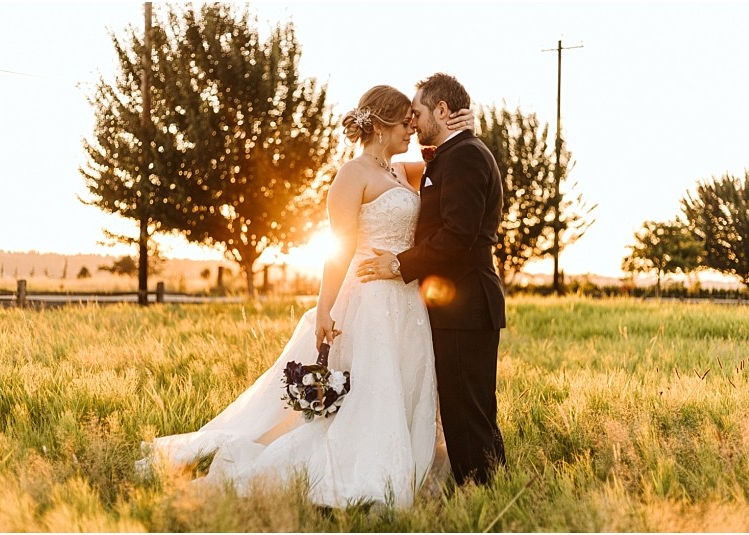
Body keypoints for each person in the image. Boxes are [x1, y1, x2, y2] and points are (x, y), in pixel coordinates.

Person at [136, 85, 475, 509]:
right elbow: (339, 249)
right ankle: (367, 477)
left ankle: (403, 466)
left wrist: (465, 128)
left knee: (405, 387)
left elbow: (440, 158)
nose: (413, 127)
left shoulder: (399, 172)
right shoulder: (353, 175)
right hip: (368, 301)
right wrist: (325, 308)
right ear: (384, 125)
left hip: (407, 304)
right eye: (406, 120)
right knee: (371, 391)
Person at [358, 73, 507, 486]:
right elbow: (392, 169)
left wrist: (398, 264)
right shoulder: (452, 154)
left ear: (442, 110)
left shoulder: (466, 157)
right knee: (467, 406)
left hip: (466, 302)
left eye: (419, 113)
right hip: (457, 303)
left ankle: (481, 489)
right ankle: (488, 485)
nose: (414, 122)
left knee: (466, 408)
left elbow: (458, 236)